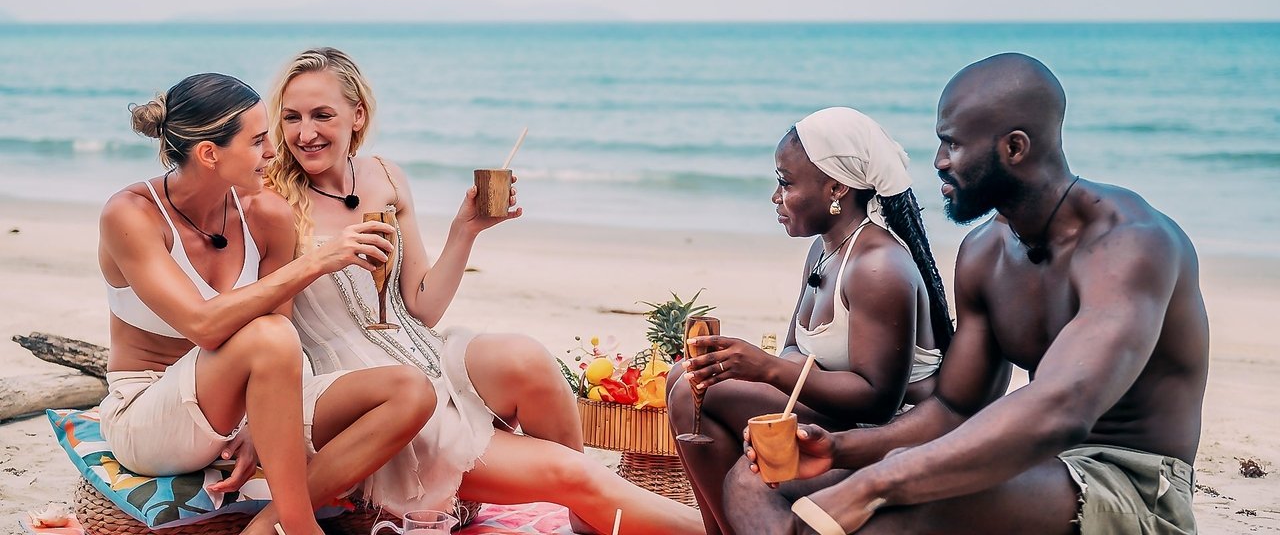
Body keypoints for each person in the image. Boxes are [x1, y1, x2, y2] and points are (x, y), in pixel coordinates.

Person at [726, 53, 1208, 534]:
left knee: (886, 516)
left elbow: (1063, 408)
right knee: (750, 484)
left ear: (1014, 148)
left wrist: (879, 480)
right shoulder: (985, 252)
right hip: (1032, 462)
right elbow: (954, 408)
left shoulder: (1131, 244)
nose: (938, 162)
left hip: (1130, 484)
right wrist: (838, 451)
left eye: (952, 144)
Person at [264, 47, 703, 535]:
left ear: (357, 114)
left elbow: (421, 308)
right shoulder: (272, 199)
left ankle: (588, 513)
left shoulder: (385, 175)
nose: (306, 133)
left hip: (424, 353)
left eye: (322, 114)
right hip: (368, 396)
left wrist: (465, 230)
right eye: (292, 118)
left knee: (526, 357)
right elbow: (273, 335)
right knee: (572, 472)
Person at [99, 73, 436, 535]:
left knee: (410, 389)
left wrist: (258, 426)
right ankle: (301, 527)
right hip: (150, 413)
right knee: (267, 335)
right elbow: (203, 325)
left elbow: (284, 343)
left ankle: (269, 524)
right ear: (210, 153)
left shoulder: (267, 215)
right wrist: (316, 262)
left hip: (249, 409)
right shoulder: (131, 214)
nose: (274, 153)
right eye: (259, 141)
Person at [666, 107, 955, 535]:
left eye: (785, 182)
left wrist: (763, 367)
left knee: (695, 395)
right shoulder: (825, 250)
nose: (775, 196)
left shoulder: (878, 266)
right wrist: (751, 365)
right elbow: (794, 352)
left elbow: (879, 399)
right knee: (690, 381)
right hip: (839, 411)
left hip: (885, 434)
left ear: (836, 187)